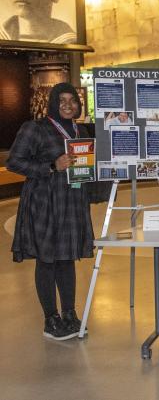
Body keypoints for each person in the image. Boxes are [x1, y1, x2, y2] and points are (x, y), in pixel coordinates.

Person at [7, 83, 95, 340]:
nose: (68, 105)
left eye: (73, 100)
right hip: (45, 201)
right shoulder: (35, 128)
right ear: (53, 103)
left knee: (67, 258)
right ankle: (50, 318)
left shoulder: (82, 130)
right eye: (62, 100)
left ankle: (69, 313)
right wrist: (51, 166)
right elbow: (14, 161)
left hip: (72, 200)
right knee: (47, 260)